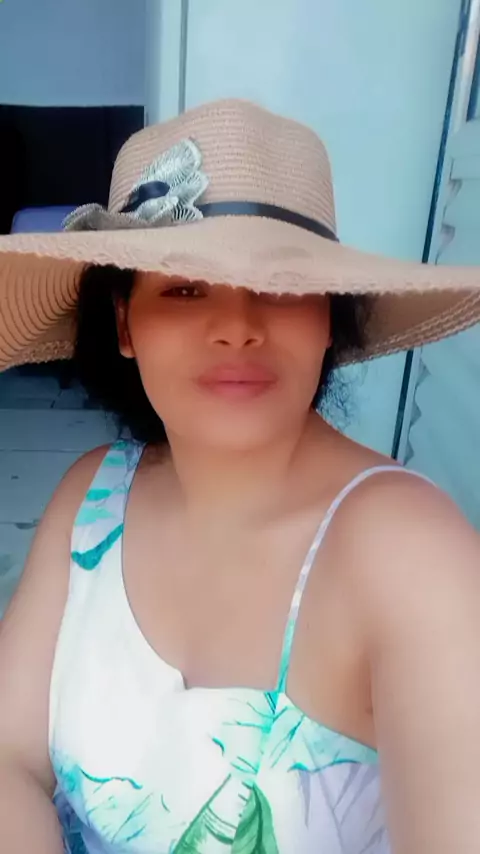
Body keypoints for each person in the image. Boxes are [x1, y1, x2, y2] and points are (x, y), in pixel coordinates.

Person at [0, 99, 479, 854]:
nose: (236, 328)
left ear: (328, 319)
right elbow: (9, 757)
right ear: (125, 325)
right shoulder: (92, 497)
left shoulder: (411, 554)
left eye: (282, 285)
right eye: (184, 287)